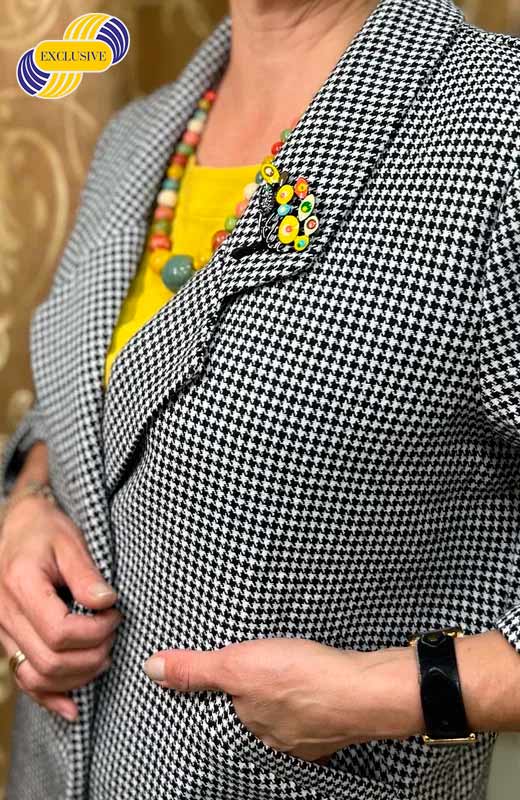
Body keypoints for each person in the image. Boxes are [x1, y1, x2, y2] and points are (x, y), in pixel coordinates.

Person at [1, 0, 519, 798]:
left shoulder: (497, 128)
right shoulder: (136, 137)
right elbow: (94, 401)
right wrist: (28, 503)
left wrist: (399, 695)